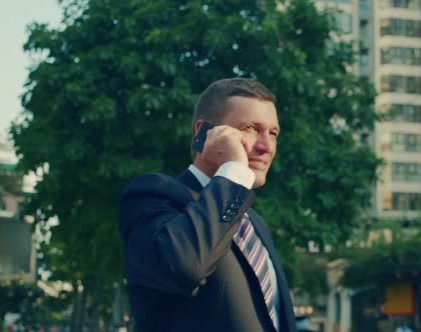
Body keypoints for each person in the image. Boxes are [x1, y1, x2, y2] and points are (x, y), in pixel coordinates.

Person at [118, 78, 296, 332]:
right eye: (251, 128)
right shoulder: (150, 195)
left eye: (273, 133)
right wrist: (234, 169)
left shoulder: (253, 222)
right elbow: (183, 266)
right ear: (204, 132)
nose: (266, 146)